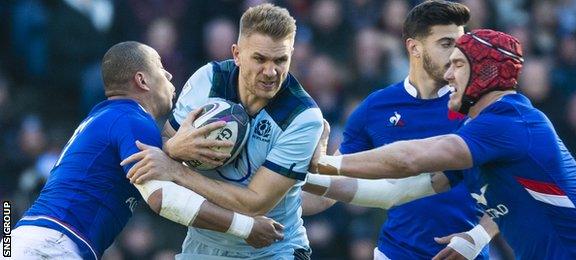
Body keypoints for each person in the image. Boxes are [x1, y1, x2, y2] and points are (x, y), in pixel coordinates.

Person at [310, 29, 576, 259]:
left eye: (457, 65)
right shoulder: (487, 133)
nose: (447, 75)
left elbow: (412, 158)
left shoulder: (509, 120)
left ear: (486, 71)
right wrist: (307, 176)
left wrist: (329, 161)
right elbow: (395, 191)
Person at [10, 42, 284, 260]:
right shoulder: (134, 119)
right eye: (161, 67)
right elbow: (163, 199)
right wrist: (245, 228)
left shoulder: (106, 117)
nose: (169, 74)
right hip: (52, 246)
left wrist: (170, 152)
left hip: (31, 241)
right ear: (142, 80)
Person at [122, 4, 323, 259]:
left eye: (280, 60)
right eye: (259, 59)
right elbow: (164, 147)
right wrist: (172, 149)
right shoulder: (209, 80)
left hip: (273, 249)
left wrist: (177, 170)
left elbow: (255, 202)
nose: (271, 72)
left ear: (291, 55)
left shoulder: (302, 117)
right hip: (203, 245)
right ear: (237, 54)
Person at [302, 1, 491, 259]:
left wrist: (478, 237)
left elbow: (515, 188)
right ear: (414, 47)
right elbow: (332, 187)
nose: (457, 55)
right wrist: (263, 204)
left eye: (461, 45)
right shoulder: (375, 108)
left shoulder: (480, 106)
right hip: (395, 253)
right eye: (447, 44)